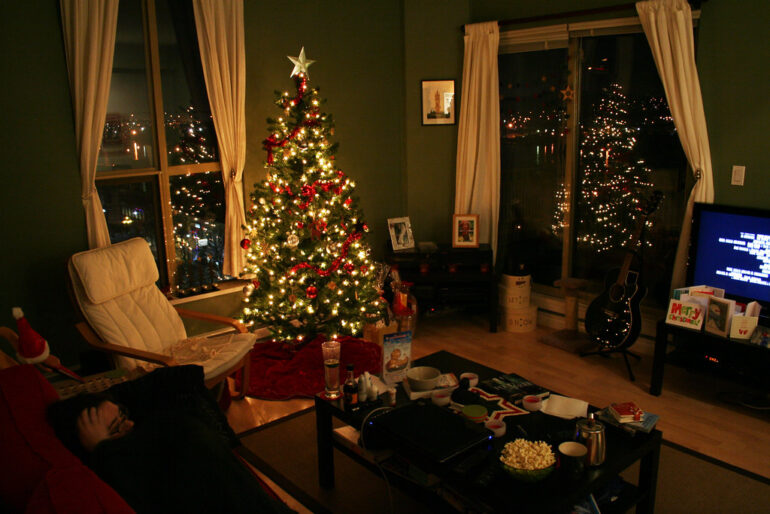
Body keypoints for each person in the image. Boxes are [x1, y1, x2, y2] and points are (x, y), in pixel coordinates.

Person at [47, 365, 294, 514]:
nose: (130, 424)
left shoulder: (145, 441)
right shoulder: (119, 472)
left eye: (124, 415)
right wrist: (102, 450)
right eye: (117, 427)